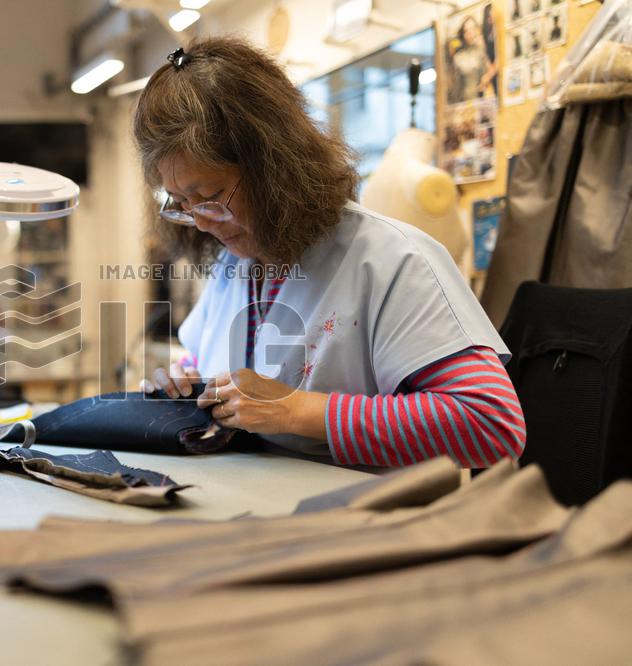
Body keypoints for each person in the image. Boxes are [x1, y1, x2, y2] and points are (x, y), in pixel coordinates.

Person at [136, 38, 525, 468]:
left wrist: (297, 410)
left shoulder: (390, 263)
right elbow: (214, 357)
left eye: (208, 196)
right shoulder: (240, 262)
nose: (202, 221)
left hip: (366, 519)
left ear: (274, 169)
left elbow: (492, 424)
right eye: (181, 204)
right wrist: (186, 379)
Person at [450, 16, 498, 103]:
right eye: (466, 30)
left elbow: (492, 69)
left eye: (472, 29)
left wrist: (485, 80)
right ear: (462, 33)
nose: (470, 33)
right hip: (465, 101)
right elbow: (456, 85)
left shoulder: (480, 51)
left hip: (482, 99)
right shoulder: (458, 57)